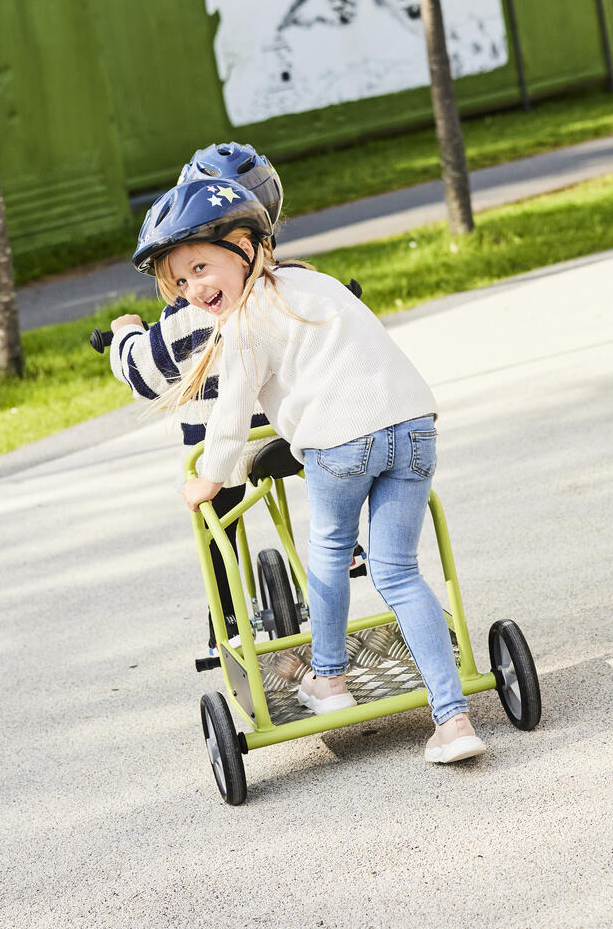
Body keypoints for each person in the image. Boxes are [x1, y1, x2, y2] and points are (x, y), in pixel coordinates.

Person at [162, 181, 486, 765]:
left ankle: (330, 681)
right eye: (180, 283)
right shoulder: (316, 283)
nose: (193, 289)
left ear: (245, 247)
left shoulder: (245, 320)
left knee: (330, 556)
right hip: (414, 425)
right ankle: (453, 719)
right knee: (398, 573)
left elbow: (231, 417)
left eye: (200, 268)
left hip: (341, 443)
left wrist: (209, 478)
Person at [109, 142, 284, 652]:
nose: (190, 283)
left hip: (221, 451)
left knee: (217, 525)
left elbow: (144, 374)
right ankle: (351, 549)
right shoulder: (289, 285)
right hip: (290, 432)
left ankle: (224, 625)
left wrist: (124, 336)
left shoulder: (188, 313)